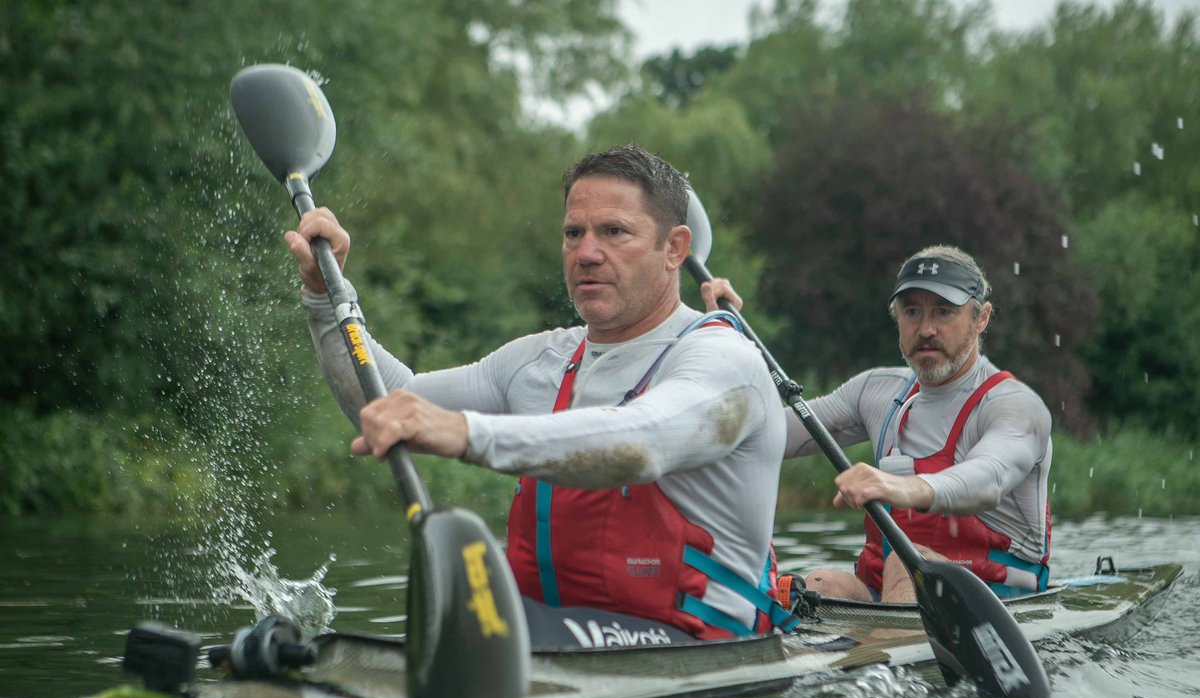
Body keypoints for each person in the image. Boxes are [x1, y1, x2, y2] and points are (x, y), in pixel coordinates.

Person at [286, 144, 788, 640]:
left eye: (614, 232)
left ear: (675, 248)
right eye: (574, 233)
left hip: (700, 649)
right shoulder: (538, 361)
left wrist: (463, 432)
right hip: (550, 639)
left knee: (481, 620)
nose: (587, 253)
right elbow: (391, 401)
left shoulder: (724, 361)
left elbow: (641, 443)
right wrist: (325, 294)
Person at [703, 246, 1052, 604]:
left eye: (944, 312)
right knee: (821, 585)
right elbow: (758, 434)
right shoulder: (876, 391)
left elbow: (989, 479)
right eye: (912, 311)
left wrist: (900, 487)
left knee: (907, 563)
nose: (926, 329)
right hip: (891, 595)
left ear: (982, 319)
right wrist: (724, 343)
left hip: (999, 600)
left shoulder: (1015, 405)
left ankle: (879, 657)